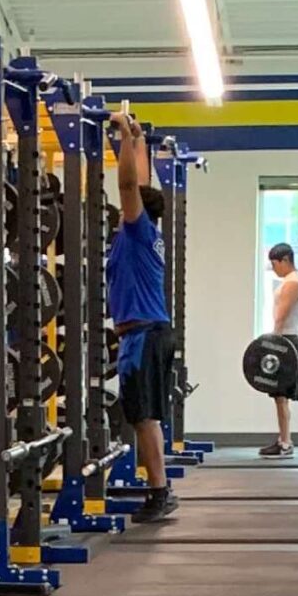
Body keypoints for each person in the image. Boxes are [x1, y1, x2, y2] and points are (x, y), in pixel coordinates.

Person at [105, 111, 180, 522]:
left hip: (144, 336)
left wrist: (121, 135)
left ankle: (159, 491)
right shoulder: (148, 234)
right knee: (143, 416)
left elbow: (129, 185)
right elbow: (141, 184)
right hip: (149, 333)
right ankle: (158, 487)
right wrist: (136, 139)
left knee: (144, 417)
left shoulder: (137, 231)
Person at [261, 241, 298, 458]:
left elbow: (281, 316)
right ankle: (284, 439)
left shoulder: (292, 283)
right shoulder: (290, 281)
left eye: (275, 264)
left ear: (285, 260)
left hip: (286, 340)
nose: (274, 268)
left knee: (282, 394)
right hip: (284, 339)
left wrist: (274, 343)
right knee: (279, 395)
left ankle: (285, 442)